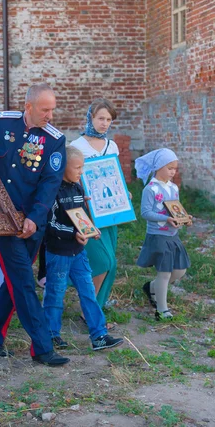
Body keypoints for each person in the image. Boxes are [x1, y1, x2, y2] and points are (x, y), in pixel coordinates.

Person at [0, 83, 69, 366]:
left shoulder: (54, 140)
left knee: (15, 283)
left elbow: (50, 183)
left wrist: (34, 218)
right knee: (23, 281)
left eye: (52, 109)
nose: (50, 115)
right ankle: (42, 348)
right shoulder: (3, 122)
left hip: (33, 223)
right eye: (45, 110)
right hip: (3, 221)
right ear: (28, 107)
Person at [43, 146, 124, 351]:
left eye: (82, 167)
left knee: (88, 292)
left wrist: (91, 230)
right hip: (59, 253)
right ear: (62, 167)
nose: (81, 171)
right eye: (77, 167)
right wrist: (73, 234)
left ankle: (99, 335)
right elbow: (49, 225)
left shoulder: (78, 188)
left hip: (79, 252)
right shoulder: (53, 191)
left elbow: (82, 216)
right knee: (55, 293)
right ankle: (51, 334)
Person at [70, 98, 121, 310]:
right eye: (101, 118)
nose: (105, 123)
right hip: (86, 212)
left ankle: (96, 307)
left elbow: (117, 176)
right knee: (102, 261)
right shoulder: (76, 146)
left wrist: (123, 191)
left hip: (111, 211)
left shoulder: (112, 146)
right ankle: (89, 308)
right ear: (91, 117)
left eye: (109, 119)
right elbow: (69, 180)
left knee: (112, 263)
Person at [135, 148, 191, 320]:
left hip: (172, 235)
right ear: (158, 167)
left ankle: (152, 287)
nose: (173, 172)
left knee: (180, 270)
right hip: (158, 235)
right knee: (164, 272)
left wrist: (184, 218)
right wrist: (166, 219)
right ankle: (161, 309)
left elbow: (176, 209)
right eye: (169, 168)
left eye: (175, 168)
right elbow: (145, 213)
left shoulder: (173, 188)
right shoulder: (150, 189)